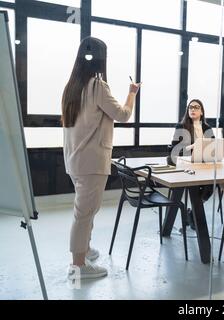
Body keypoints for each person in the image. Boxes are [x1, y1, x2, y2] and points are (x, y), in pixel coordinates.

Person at [62, 37, 141, 279]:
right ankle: (78, 267)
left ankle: (84, 250)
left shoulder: (71, 87)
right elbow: (123, 114)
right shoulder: (98, 86)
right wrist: (132, 93)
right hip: (92, 162)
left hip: (75, 160)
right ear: (101, 59)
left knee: (85, 210)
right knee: (84, 213)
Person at [168, 99, 224, 229]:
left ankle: (192, 213)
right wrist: (192, 146)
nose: (192, 109)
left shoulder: (207, 128)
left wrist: (216, 149)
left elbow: (213, 146)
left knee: (216, 175)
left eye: (196, 107)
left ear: (201, 111)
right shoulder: (181, 127)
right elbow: (175, 149)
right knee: (213, 178)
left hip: (202, 163)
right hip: (185, 163)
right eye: (190, 107)